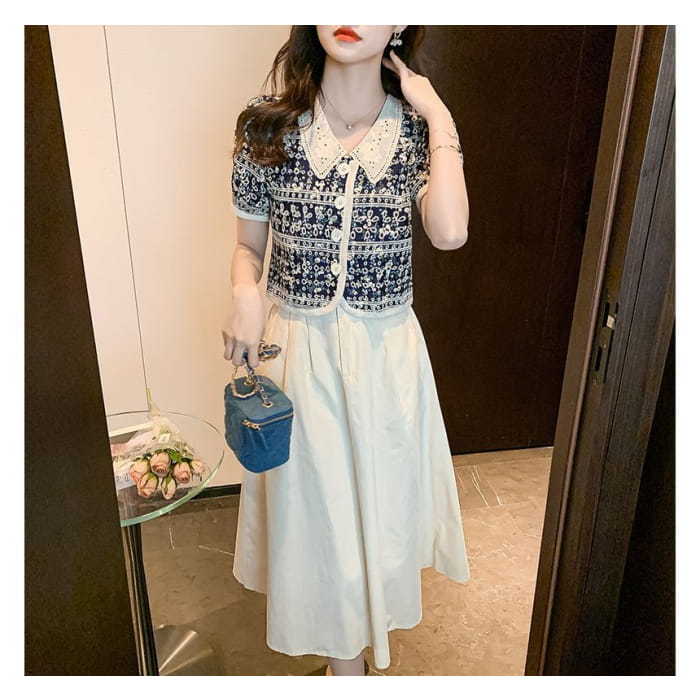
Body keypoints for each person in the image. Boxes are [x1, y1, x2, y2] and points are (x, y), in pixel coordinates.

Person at [221, 25, 471, 676]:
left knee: (380, 525)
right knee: (321, 524)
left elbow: (449, 231)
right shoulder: (267, 129)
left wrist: (438, 115)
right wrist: (245, 291)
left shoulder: (414, 134)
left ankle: (351, 661)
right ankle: (347, 667)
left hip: (388, 357)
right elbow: (247, 246)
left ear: (399, 23)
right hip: (300, 354)